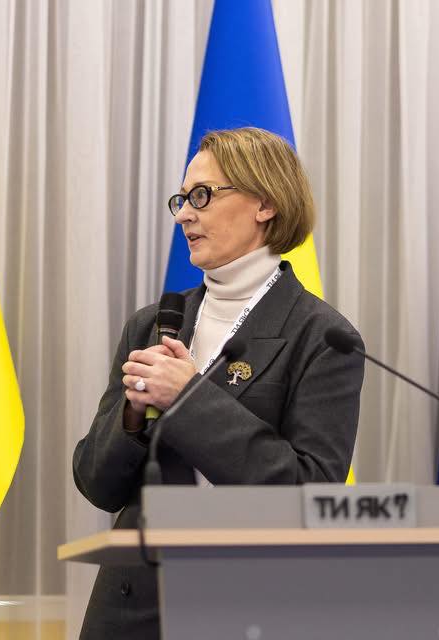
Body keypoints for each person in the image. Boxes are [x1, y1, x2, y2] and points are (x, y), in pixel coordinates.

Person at [73, 127, 365, 639]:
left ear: (266, 204)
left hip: (251, 609)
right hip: (132, 609)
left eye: (202, 196)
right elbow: (98, 484)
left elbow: (310, 492)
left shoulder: (321, 335)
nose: (184, 214)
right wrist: (132, 417)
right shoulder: (152, 325)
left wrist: (186, 399)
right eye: (182, 199)